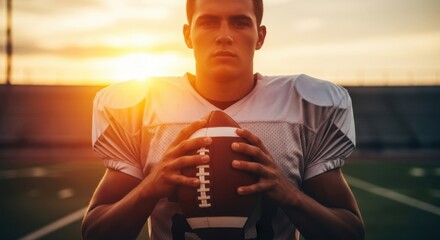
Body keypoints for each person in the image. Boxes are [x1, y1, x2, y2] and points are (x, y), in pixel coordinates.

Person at [81, 0, 365, 239]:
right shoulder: (142, 106)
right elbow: (95, 231)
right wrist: (150, 187)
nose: (224, 35)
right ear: (188, 35)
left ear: (260, 36)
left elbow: (350, 231)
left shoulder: (304, 106)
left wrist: (288, 193)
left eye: (240, 22)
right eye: (208, 22)